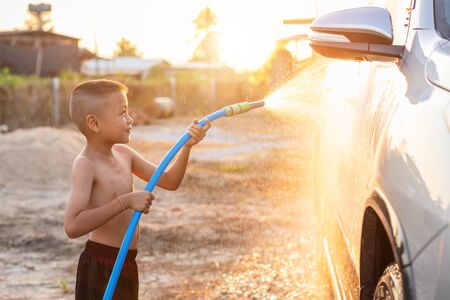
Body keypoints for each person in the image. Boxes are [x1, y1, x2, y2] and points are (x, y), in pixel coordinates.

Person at [63, 79, 211, 299]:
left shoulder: (125, 155)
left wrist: (187, 147)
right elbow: (72, 226)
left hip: (126, 261)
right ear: (94, 123)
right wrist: (125, 202)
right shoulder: (85, 164)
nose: (130, 119)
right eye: (122, 113)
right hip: (101, 265)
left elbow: (170, 181)